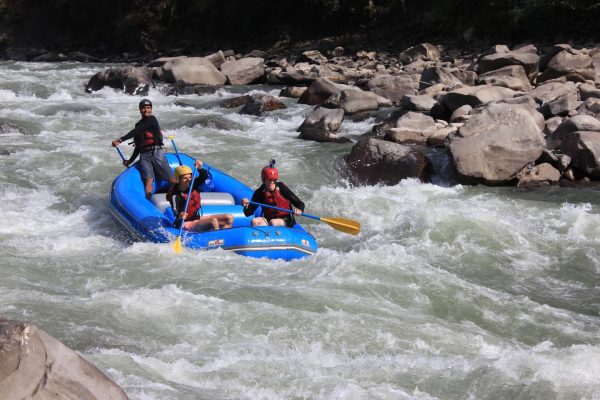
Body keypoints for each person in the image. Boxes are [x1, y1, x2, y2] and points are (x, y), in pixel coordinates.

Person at [111, 99, 172, 200]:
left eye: (148, 108)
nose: (146, 110)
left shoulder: (152, 119)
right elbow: (138, 146)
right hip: (144, 155)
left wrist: (120, 140)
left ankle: (179, 193)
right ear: (140, 110)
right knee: (148, 180)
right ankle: (149, 201)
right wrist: (130, 161)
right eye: (143, 108)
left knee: (171, 179)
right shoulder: (138, 124)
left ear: (151, 109)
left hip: (156, 152)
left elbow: (136, 131)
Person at [167, 160, 234, 232]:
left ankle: (223, 238)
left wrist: (200, 168)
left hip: (197, 219)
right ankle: (216, 240)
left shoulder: (193, 185)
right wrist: (180, 215)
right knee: (213, 221)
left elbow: (204, 176)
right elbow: (175, 210)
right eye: (184, 178)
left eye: (190, 177)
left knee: (229, 217)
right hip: (185, 223)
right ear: (177, 180)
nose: (188, 180)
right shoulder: (176, 195)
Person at [241, 160, 304, 227]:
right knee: (255, 221)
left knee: (273, 222)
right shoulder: (259, 192)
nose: (271, 182)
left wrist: (299, 210)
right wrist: (245, 206)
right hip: (269, 219)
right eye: (269, 179)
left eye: (273, 180)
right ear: (264, 180)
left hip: (286, 220)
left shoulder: (282, 188)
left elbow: (300, 204)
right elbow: (248, 213)